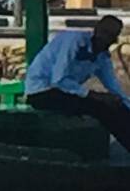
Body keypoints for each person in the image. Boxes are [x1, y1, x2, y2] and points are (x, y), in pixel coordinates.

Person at [24, 15, 130, 150]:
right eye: (105, 33)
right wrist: (93, 95)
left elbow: (114, 87)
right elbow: (59, 80)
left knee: (117, 106)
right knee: (101, 108)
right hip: (43, 91)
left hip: (66, 93)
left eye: (111, 36)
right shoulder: (74, 41)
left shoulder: (102, 57)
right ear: (96, 30)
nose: (106, 39)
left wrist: (124, 104)